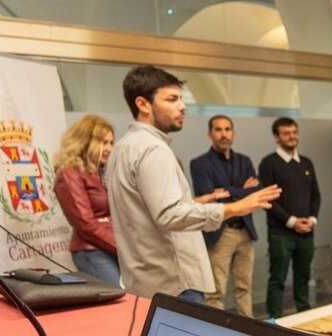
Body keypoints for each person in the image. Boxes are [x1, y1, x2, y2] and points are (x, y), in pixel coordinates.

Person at [107, 65, 279, 302]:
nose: (182, 106)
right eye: (172, 99)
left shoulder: (123, 148)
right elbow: (168, 215)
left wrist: (195, 202)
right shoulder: (154, 149)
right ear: (143, 104)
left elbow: (147, 209)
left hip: (146, 281)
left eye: (181, 99)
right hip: (174, 283)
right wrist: (236, 207)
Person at [189, 115, 261, 316]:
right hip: (220, 232)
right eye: (218, 130)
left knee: (244, 289)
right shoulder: (200, 164)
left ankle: (249, 332)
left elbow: (255, 192)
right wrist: (240, 190)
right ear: (209, 134)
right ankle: (216, 335)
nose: (224, 134)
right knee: (215, 292)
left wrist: (226, 191)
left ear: (233, 133)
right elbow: (209, 197)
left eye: (227, 129)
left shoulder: (244, 161)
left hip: (245, 231)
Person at [258, 117, 320, 318]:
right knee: (278, 278)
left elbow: (315, 195)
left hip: (306, 231)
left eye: (294, 132)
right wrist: (292, 221)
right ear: (277, 137)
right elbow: (269, 201)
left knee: (303, 277)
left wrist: (312, 219)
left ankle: (305, 316)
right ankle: (274, 320)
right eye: (286, 133)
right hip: (281, 233)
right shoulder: (268, 163)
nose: (292, 136)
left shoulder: (307, 162)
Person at [53, 115, 120, 286]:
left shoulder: (102, 171)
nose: (109, 149)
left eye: (111, 143)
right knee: (117, 303)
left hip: (113, 247)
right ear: (84, 141)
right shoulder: (69, 174)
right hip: (92, 251)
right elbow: (86, 225)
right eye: (103, 142)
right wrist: (123, 249)